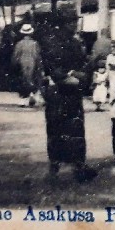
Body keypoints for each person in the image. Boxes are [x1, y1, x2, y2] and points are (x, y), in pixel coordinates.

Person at [40, 19, 96, 182]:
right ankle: (55, 165)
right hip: (58, 92)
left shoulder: (75, 42)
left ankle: (78, 164)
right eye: (72, 22)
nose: (75, 25)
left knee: (76, 128)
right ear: (64, 23)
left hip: (73, 92)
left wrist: (83, 75)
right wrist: (65, 77)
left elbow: (83, 64)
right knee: (56, 128)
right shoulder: (53, 42)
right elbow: (51, 66)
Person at [11, 24, 42, 107]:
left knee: (23, 81)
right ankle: (32, 95)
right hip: (33, 63)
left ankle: (23, 100)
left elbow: (15, 55)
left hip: (21, 64)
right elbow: (37, 55)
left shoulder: (19, 44)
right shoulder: (35, 44)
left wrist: (14, 64)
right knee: (33, 79)